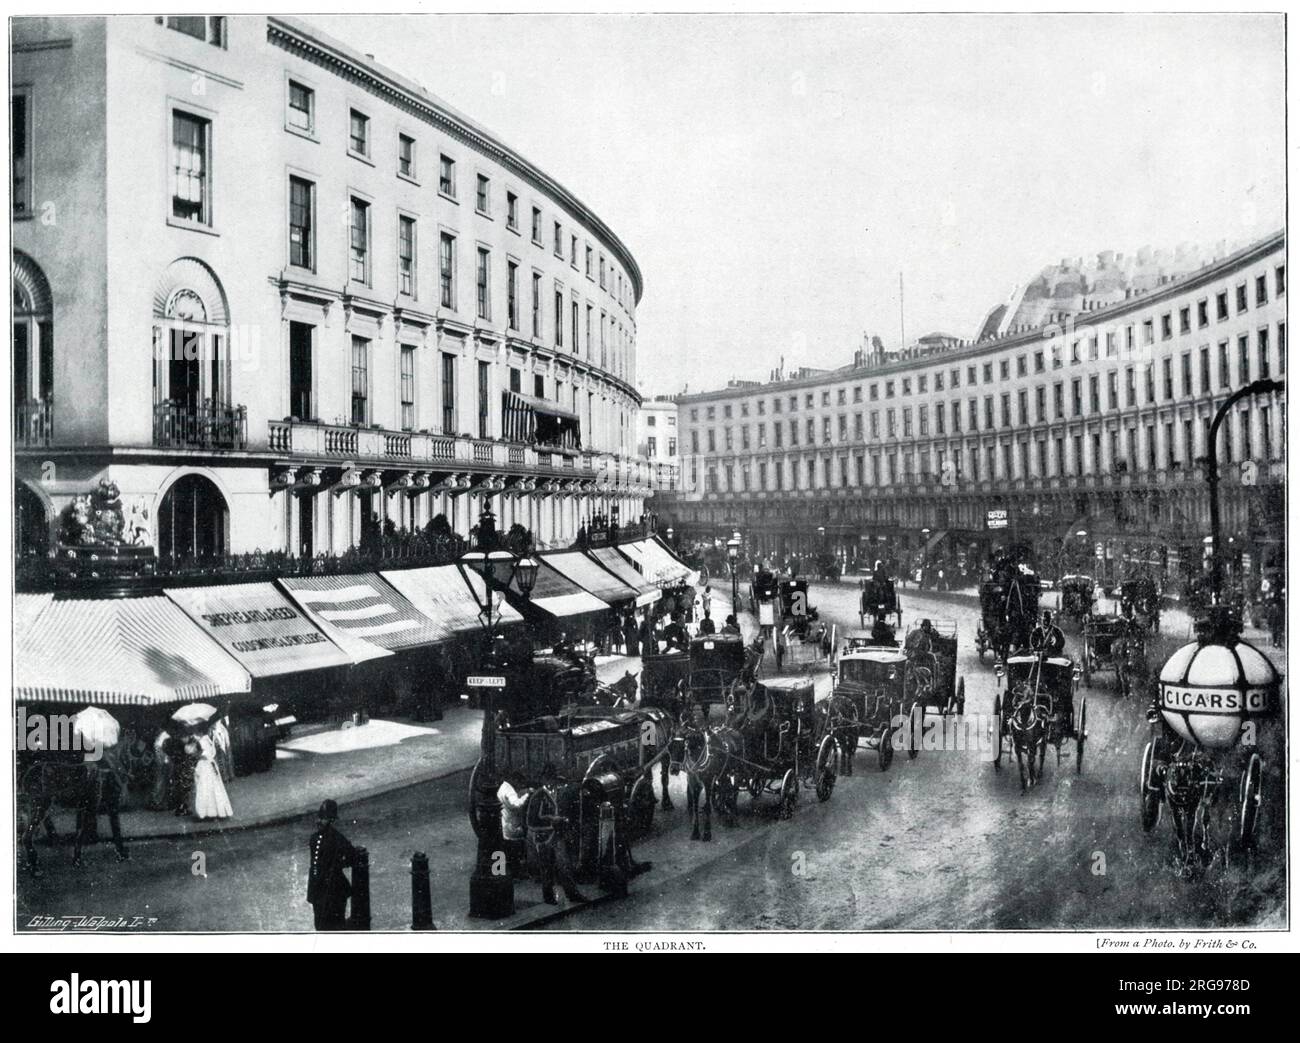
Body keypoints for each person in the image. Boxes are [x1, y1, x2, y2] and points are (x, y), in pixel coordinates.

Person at [526, 770, 589, 905]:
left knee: (564, 865)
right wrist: (552, 821)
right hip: (543, 837)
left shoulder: (556, 794)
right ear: (543, 780)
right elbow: (531, 821)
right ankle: (549, 897)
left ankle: (572, 893)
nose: (552, 784)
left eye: (553, 780)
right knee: (547, 868)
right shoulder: (538, 796)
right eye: (549, 780)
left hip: (556, 835)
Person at [307, 799, 357, 930]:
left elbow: (353, 856)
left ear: (331, 821)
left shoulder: (337, 838)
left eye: (323, 818)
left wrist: (337, 866)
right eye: (319, 818)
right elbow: (314, 866)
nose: (319, 821)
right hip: (318, 891)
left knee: (335, 927)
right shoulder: (313, 838)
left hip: (334, 891)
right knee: (319, 926)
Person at [190, 729, 233, 820]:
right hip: (206, 765)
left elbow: (207, 753)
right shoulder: (203, 740)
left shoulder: (206, 740)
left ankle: (212, 811)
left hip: (208, 765)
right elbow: (202, 753)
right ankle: (208, 812)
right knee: (207, 787)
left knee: (210, 788)